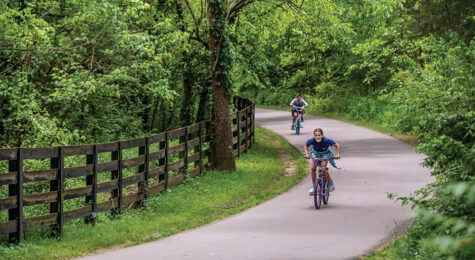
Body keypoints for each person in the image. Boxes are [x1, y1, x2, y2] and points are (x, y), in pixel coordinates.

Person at [304, 128, 340, 195]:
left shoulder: (326, 140)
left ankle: (330, 182)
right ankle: (314, 187)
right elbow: (306, 145)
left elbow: (337, 145)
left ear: (322, 135)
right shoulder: (312, 140)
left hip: (325, 153)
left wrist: (338, 154)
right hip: (315, 153)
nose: (317, 137)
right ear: (314, 136)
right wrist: (306, 153)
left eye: (319, 135)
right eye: (316, 135)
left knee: (323, 169)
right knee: (312, 168)